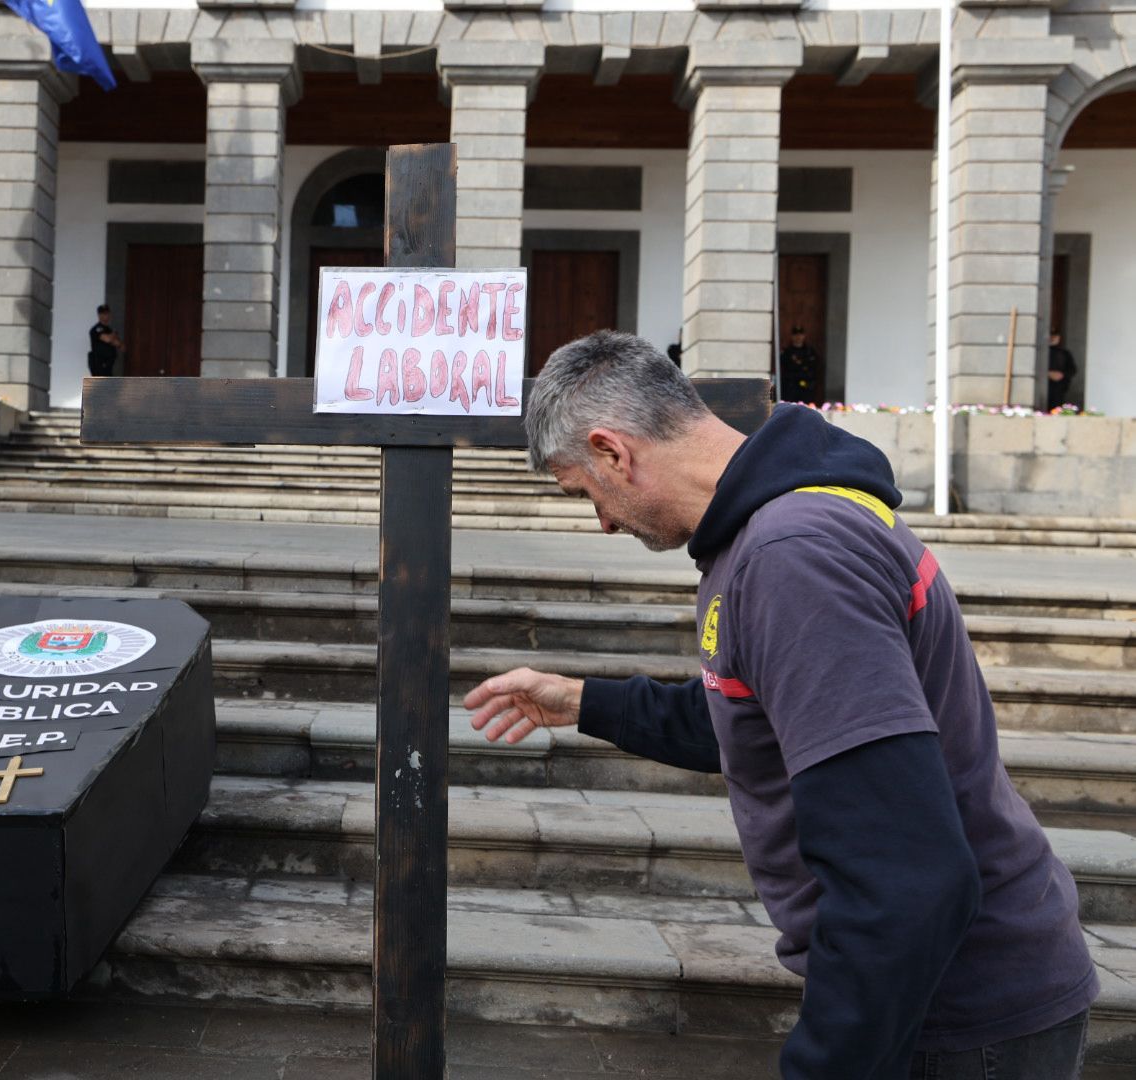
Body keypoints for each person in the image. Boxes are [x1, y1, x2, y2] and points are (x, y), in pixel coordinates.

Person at [464, 331, 1097, 1079]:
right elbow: (768, 722)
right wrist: (584, 701)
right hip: (939, 992)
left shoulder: (793, 555)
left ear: (612, 452)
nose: (602, 521)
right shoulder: (773, 528)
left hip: (956, 1017)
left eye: (586, 493)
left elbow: (903, 876)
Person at [778, 325, 821, 404]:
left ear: (804, 336)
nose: (798, 337)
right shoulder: (786, 352)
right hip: (791, 388)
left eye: (800, 334)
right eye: (795, 334)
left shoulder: (810, 352)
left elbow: (814, 368)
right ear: (792, 336)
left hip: (806, 388)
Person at [88, 304, 124, 376]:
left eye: (107, 313)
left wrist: (112, 337)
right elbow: (108, 339)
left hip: (109, 365)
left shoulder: (109, 330)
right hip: (99, 366)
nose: (106, 316)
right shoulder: (96, 329)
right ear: (99, 315)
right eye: (103, 314)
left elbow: (120, 345)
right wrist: (113, 335)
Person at [1047, 331, 1078, 411]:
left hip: (1059, 388)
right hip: (1045, 386)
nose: (1053, 339)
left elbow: (1072, 369)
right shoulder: (1043, 352)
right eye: (1051, 336)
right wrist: (1048, 373)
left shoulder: (1065, 353)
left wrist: (1062, 374)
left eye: (1055, 337)